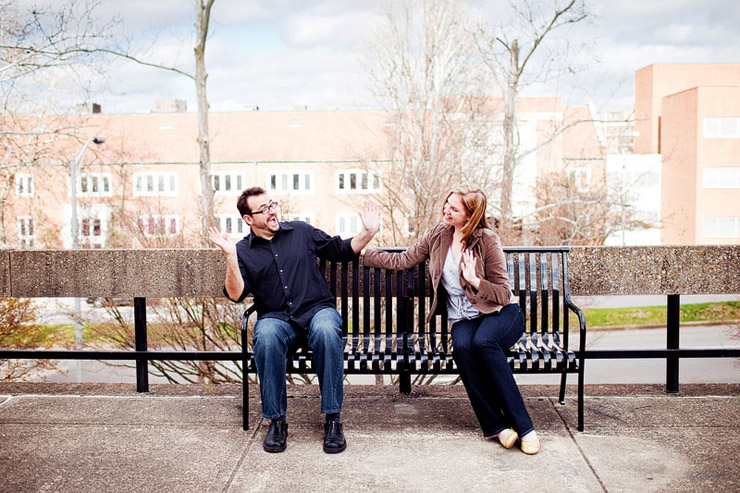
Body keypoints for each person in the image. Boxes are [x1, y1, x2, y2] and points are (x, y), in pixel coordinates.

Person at [362, 189, 540, 454]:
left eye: (454, 209)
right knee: (463, 348)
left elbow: (504, 293)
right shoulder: (438, 234)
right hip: (463, 317)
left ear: (469, 215)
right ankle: (498, 427)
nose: (446, 210)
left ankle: (525, 428)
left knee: (484, 342)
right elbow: (403, 260)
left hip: (499, 314)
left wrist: (475, 280)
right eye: (446, 203)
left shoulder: (487, 240)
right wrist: (364, 253)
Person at [208, 186, 379, 454]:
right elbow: (235, 294)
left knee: (325, 330)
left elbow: (341, 250)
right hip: (277, 320)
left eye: (272, 204)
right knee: (265, 335)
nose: (272, 211)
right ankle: (277, 421)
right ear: (248, 219)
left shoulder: (301, 231)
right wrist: (230, 256)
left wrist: (368, 232)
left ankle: (333, 420)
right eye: (263, 209)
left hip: (316, 311)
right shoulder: (243, 250)